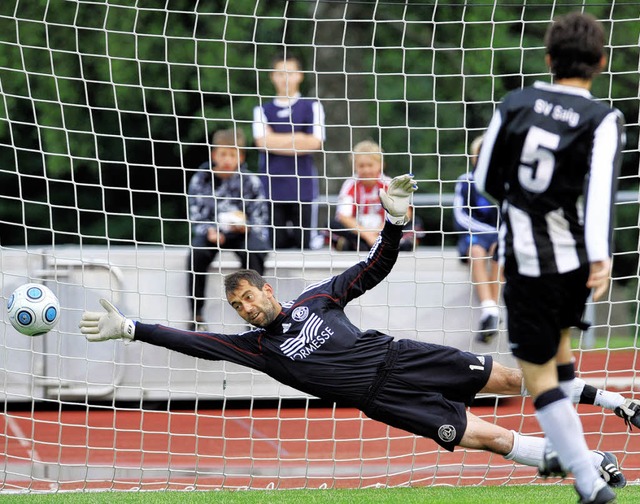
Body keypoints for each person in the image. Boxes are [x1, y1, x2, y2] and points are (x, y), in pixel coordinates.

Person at [80, 175, 633, 490]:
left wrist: (394, 224)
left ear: (268, 290)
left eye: (250, 295)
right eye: (236, 304)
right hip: (382, 401)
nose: (246, 307)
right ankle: (579, 464)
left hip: (404, 358)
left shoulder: (316, 298)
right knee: (486, 439)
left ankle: (616, 401)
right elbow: (191, 342)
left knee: (512, 378)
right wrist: (130, 327)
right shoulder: (256, 350)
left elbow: (372, 269)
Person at [473, 12, 626, 504]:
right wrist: (601, 258)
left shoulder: (515, 103)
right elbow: (601, 193)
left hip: (530, 262)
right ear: (600, 63)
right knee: (559, 359)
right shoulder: (603, 117)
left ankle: (589, 483)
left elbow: (484, 182)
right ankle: (572, 452)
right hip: (577, 262)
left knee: (537, 375)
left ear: (547, 59)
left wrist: (520, 207)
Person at [186, 128, 270, 331]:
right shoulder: (201, 179)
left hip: (243, 233)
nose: (227, 159)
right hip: (213, 233)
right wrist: (210, 231)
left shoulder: (251, 181)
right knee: (196, 253)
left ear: (240, 157)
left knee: (256, 252)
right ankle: (197, 315)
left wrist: (246, 226)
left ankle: (256, 315)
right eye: (223, 154)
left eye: (232, 154)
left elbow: (260, 216)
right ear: (214, 154)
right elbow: (195, 214)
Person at [252, 52, 325, 250]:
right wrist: (298, 137)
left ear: (300, 75)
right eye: (280, 73)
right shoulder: (262, 109)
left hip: (304, 189)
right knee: (275, 248)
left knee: (305, 248)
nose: (285, 78)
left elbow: (314, 143)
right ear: (272, 76)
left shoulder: (312, 106)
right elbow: (262, 142)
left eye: (290, 73)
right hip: (272, 189)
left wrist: (275, 139)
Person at [331, 140, 421, 252]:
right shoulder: (350, 185)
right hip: (359, 232)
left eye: (370, 165)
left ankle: (398, 244)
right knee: (331, 225)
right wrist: (368, 236)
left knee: (415, 223)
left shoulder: (389, 184)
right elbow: (344, 216)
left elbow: (406, 212)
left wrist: (381, 231)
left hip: (385, 230)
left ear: (381, 165)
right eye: (361, 166)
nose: (366, 170)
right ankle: (356, 245)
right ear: (354, 166)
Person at [453, 135, 501, 343]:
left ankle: (493, 311)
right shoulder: (465, 181)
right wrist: (489, 231)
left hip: (499, 238)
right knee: (477, 251)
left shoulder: (502, 183)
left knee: (501, 250)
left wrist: (499, 234)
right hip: (474, 236)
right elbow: (460, 217)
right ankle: (489, 308)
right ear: (473, 158)